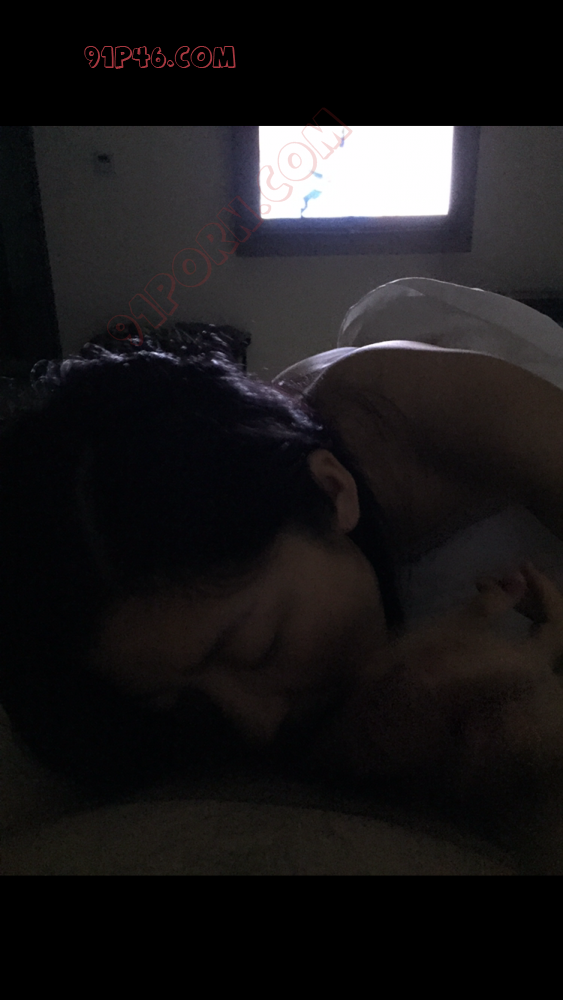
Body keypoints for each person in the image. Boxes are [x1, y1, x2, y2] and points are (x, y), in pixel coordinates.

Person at [1, 316, 563, 840]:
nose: (261, 726)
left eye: (262, 645)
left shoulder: (422, 406)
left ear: (332, 491)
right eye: (190, 704)